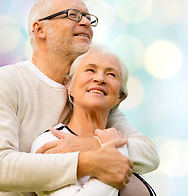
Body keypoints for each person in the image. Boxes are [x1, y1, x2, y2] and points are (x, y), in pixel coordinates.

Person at [0, 0, 159, 196]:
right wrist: (88, 161)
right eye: (73, 15)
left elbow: (148, 153)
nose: (85, 22)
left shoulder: (89, 94)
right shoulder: (4, 82)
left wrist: (90, 145)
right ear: (39, 29)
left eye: (88, 17)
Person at [31, 44, 156, 196]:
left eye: (111, 74)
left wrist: (100, 144)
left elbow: (151, 156)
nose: (99, 78)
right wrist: (114, 150)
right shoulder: (51, 141)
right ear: (70, 85)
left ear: (119, 96)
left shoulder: (120, 138)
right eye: (90, 70)